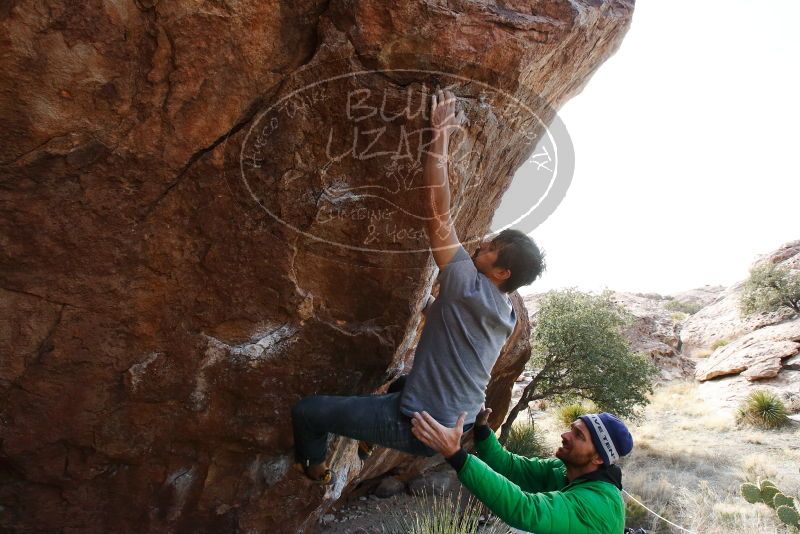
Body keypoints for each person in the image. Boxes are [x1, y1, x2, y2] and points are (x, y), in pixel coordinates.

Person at [291, 89, 545, 484]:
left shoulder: (465, 282)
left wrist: (439, 133)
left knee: (308, 412)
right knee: (402, 381)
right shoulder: (505, 311)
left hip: (420, 426)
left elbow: (436, 208)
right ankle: (369, 438)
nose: (482, 245)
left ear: (502, 273)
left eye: (493, 249)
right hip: (455, 421)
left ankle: (314, 469)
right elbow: (455, 327)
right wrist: (428, 305)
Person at [411, 406, 633, 534]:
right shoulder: (564, 470)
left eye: (578, 436)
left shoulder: (597, 505)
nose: (565, 436)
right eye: (571, 429)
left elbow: (526, 510)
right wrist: (481, 430)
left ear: (597, 458)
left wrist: (455, 454)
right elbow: (512, 466)